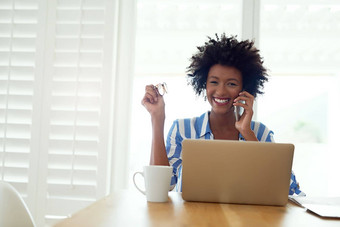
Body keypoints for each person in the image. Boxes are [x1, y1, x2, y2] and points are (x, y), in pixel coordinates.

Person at [141, 33, 305, 196]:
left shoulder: (260, 134)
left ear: (244, 88)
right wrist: (157, 118)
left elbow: (290, 190)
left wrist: (247, 133)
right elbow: (160, 188)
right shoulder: (182, 129)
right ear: (204, 84)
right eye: (214, 82)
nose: (220, 91)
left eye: (231, 84)